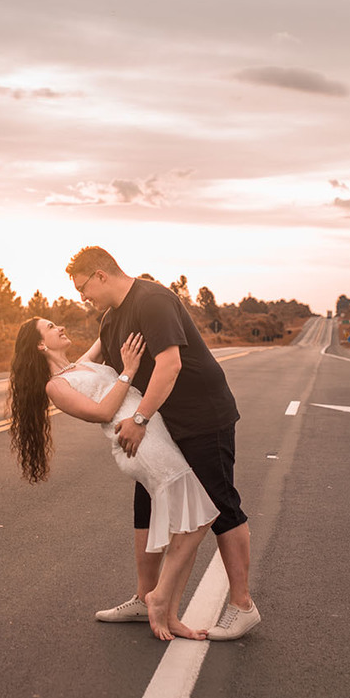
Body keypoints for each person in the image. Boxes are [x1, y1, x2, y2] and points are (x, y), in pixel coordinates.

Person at [65, 246, 260, 641]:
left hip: (204, 417)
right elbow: (92, 369)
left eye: (83, 287)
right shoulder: (110, 319)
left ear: (101, 275)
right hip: (164, 426)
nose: (82, 297)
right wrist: (50, 372)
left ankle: (242, 606)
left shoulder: (152, 300)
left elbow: (169, 364)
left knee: (221, 504)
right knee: (147, 502)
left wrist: (139, 420)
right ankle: (144, 597)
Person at [8, 317, 219, 641]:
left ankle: (171, 614)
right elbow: (103, 413)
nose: (61, 327)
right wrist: (128, 370)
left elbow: (104, 331)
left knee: (186, 522)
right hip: (138, 443)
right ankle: (158, 597)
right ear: (40, 345)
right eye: (51, 327)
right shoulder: (55, 386)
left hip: (154, 432)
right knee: (200, 517)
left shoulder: (82, 364)